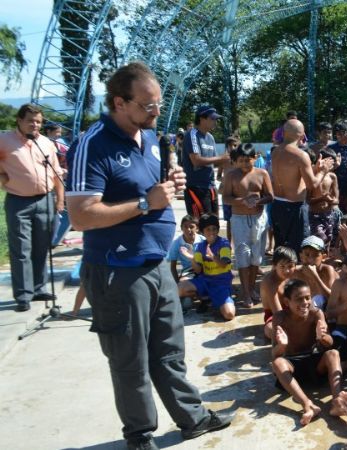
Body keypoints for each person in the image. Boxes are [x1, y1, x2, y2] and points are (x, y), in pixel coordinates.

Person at [65, 62, 232, 449]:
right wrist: (145, 202)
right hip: (116, 270)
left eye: (157, 105)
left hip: (156, 263)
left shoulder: (151, 138)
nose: (156, 113)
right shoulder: (93, 143)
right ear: (119, 103)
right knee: (130, 361)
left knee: (170, 351)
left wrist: (168, 186)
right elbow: (80, 216)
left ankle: (192, 418)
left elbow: (156, 189)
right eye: (147, 106)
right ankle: (139, 435)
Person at [0, 103, 65, 311]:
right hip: (19, 201)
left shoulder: (46, 143)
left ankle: (38, 288)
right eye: (30, 121)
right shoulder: (4, 141)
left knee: (41, 247)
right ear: (19, 120)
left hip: (46, 200)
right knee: (21, 249)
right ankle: (23, 295)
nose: (34, 125)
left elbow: (56, 173)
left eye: (38, 121)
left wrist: (60, 200)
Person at [272, 278, 343, 425]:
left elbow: (330, 344)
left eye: (308, 298)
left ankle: (337, 401)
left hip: (313, 360)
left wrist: (323, 337)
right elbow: (275, 354)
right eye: (299, 299)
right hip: (292, 364)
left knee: (333, 354)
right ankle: (307, 405)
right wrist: (282, 345)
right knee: (278, 363)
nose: (305, 302)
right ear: (287, 302)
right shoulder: (280, 318)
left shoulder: (316, 314)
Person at [270, 118, 334, 254]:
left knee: (282, 250)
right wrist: (323, 170)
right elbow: (312, 185)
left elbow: (293, 177)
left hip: (277, 205)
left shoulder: (275, 152)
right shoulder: (301, 155)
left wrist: (314, 170)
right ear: (301, 135)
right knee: (298, 251)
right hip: (295, 208)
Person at [222, 143, 274, 307]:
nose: (245, 164)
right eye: (241, 160)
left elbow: (270, 196)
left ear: (255, 158)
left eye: (248, 160)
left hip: (258, 218)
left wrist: (259, 201)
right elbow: (226, 198)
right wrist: (242, 201)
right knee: (242, 256)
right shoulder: (231, 176)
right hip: (239, 219)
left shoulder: (262, 173)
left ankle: (251, 289)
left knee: (256, 256)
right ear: (236, 161)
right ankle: (245, 292)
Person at [178, 214, 236, 320]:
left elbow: (224, 264)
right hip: (205, 281)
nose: (212, 232)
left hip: (221, 283)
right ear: (202, 231)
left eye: (214, 229)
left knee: (229, 314)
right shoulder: (200, 246)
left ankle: (217, 298)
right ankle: (206, 297)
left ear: (218, 229)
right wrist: (192, 259)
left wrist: (213, 257)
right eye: (208, 229)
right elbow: (198, 270)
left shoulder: (224, 243)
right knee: (179, 288)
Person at [182, 105, 227, 218]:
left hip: (210, 186)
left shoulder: (210, 137)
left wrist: (233, 160)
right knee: (200, 224)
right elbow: (196, 161)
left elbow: (215, 162)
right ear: (202, 118)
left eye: (216, 119)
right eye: (212, 118)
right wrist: (222, 158)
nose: (215, 122)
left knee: (213, 223)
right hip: (196, 187)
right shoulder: (192, 135)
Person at [308, 147, 339, 249]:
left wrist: (331, 201)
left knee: (329, 239)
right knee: (321, 237)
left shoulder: (332, 177)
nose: (332, 166)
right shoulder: (313, 177)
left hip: (329, 214)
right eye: (330, 163)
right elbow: (307, 201)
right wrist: (322, 198)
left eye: (333, 164)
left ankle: (324, 259)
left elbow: (336, 200)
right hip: (314, 215)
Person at [167, 214, 204, 283]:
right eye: (185, 227)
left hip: (204, 270)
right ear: (181, 228)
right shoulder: (176, 243)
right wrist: (177, 284)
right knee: (183, 284)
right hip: (188, 272)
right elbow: (173, 267)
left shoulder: (203, 240)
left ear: (197, 228)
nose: (188, 229)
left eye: (191, 227)